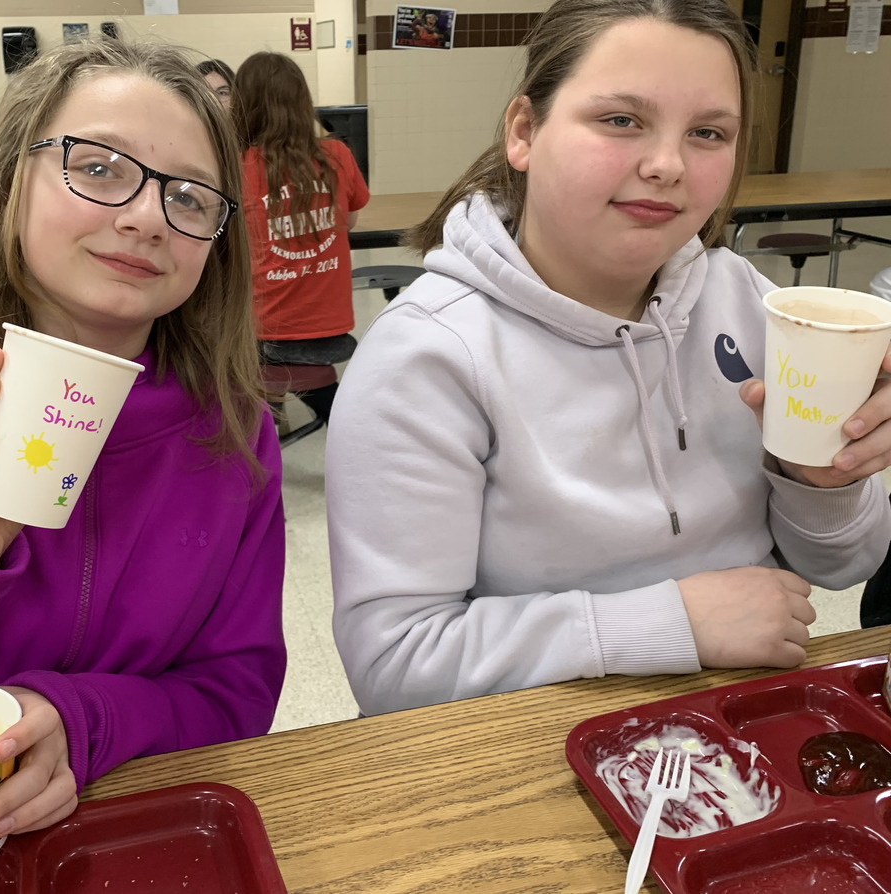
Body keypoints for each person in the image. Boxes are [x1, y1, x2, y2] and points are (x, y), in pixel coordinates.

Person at [325, 0, 891, 717]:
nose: (666, 165)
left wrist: (816, 476)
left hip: (742, 731)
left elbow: (847, 562)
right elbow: (395, 664)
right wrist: (671, 623)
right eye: (621, 120)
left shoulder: (744, 298)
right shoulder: (429, 358)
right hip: (535, 755)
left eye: (708, 132)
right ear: (525, 132)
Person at [0, 38, 285, 839]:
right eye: (98, 168)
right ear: (12, 178)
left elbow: (239, 689)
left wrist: (83, 719)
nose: (143, 218)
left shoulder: (232, 430)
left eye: (191, 198)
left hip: (134, 836)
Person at [233, 52, 369, 425]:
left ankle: (265, 423)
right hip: (330, 331)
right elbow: (350, 219)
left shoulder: (236, 164)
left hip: (262, 336)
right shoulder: (337, 155)